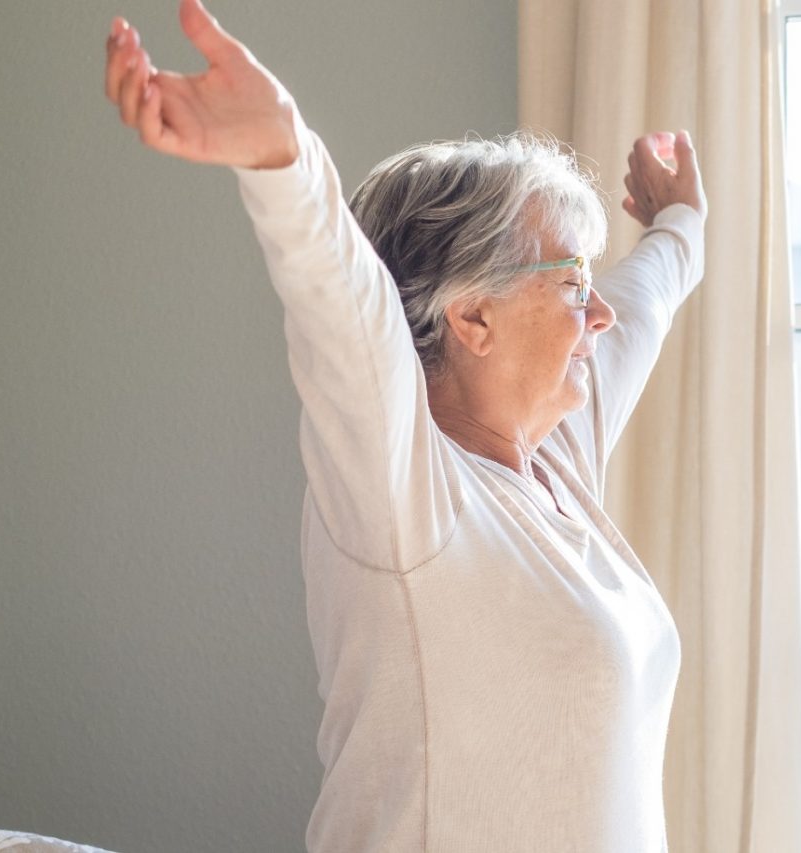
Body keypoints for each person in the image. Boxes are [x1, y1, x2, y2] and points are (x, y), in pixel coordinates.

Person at [100, 2, 706, 849]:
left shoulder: (552, 459)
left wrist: (681, 223)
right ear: (471, 314)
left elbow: (642, 308)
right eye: (572, 282)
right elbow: (340, 307)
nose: (595, 311)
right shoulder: (408, 497)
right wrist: (282, 156)